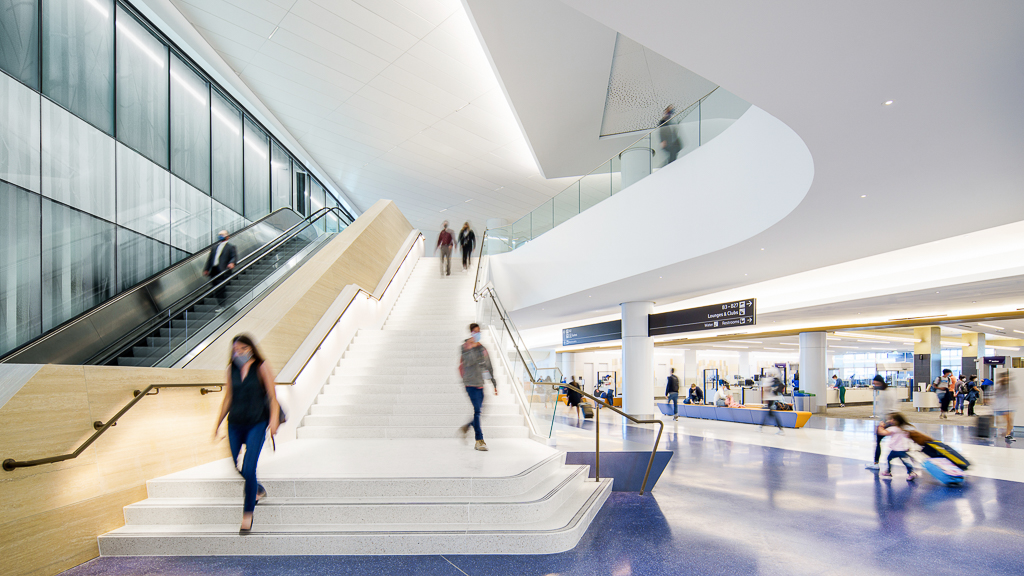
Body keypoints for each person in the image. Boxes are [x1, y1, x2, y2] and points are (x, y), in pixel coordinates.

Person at [213, 334, 280, 533]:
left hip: (257, 423)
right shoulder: (230, 369)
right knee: (236, 465)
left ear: (251, 348)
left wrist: (274, 419)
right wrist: (217, 424)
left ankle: (247, 514)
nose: (239, 353)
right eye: (236, 350)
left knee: (249, 468)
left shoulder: (261, 366)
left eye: (243, 349)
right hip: (234, 424)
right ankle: (257, 489)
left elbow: (272, 395)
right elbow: (228, 398)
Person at [459, 323, 498, 451]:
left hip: (480, 383)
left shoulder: (483, 349)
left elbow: (488, 365)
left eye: (479, 331)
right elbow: (468, 362)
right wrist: (471, 348)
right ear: (471, 333)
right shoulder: (464, 347)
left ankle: (466, 427)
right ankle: (479, 440)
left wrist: (494, 383)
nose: (478, 334)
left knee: (480, 411)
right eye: (475, 331)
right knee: (477, 410)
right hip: (469, 383)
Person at [866, 375, 896, 471]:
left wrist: (886, 421)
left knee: (880, 441)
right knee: (881, 441)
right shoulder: (885, 392)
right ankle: (876, 462)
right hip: (887, 420)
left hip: (888, 421)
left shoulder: (888, 393)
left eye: (876, 384)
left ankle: (876, 463)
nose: (875, 386)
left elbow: (891, 408)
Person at [203, 230, 237, 311]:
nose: (220, 236)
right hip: (214, 270)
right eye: (219, 235)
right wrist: (206, 269)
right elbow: (210, 259)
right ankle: (221, 305)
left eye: (222, 235)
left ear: (227, 236)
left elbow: (234, 256)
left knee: (221, 288)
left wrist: (232, 263)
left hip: (223, 271)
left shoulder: (230, 247)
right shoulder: (214, 247)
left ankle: (223, 306)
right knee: (215, 288)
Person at [878, 413, 917, 481]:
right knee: (902, 460)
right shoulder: (903, 428)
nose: (889, 420)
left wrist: (880, 426)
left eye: (890, 419)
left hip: (897, 449)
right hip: (903, 448)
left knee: (890, 459)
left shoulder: (894, 428)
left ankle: (910, 472)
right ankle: (910, 472)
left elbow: (882, 432)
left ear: (894, 420)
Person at [992, 372, 1016, 442]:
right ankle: (1003, 432)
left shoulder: (1009, 385)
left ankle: (1007, 434)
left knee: (1009, 421)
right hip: (1000, 406)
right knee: (1003, 421)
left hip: (1008, 406)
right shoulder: (999, 386)